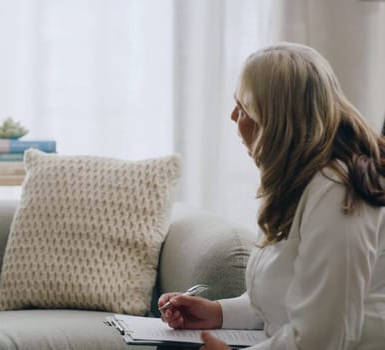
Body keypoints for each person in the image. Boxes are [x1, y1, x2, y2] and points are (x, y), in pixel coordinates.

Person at [158, 42, 385, 349]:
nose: (233, 116)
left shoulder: (338, 194)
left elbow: (324, 337)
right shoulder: (303, 183)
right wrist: (218, 312)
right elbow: (288, 300)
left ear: (278, 123)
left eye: (245, 108)